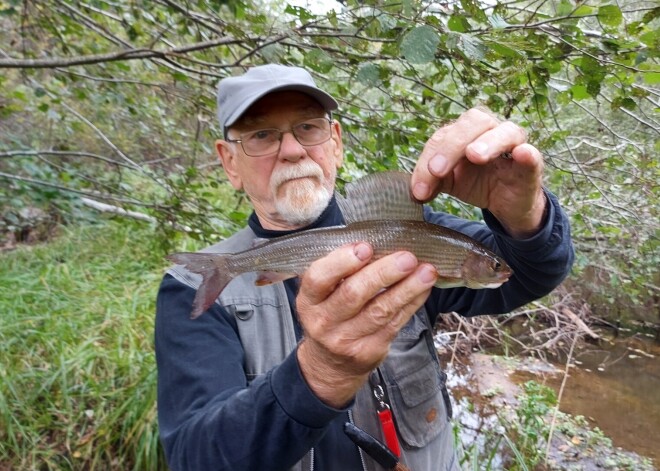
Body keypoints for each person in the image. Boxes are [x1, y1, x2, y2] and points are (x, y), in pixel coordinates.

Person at [155, 64, 574, 471]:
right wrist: (318, 374)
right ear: (230, 162)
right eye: (262, 136)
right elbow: (195, 456)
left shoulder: (416, 233)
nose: (292, 150)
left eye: (308, 127)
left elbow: (530, 272)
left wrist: (523, 216)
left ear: (335, 141)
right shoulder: (190, 287)